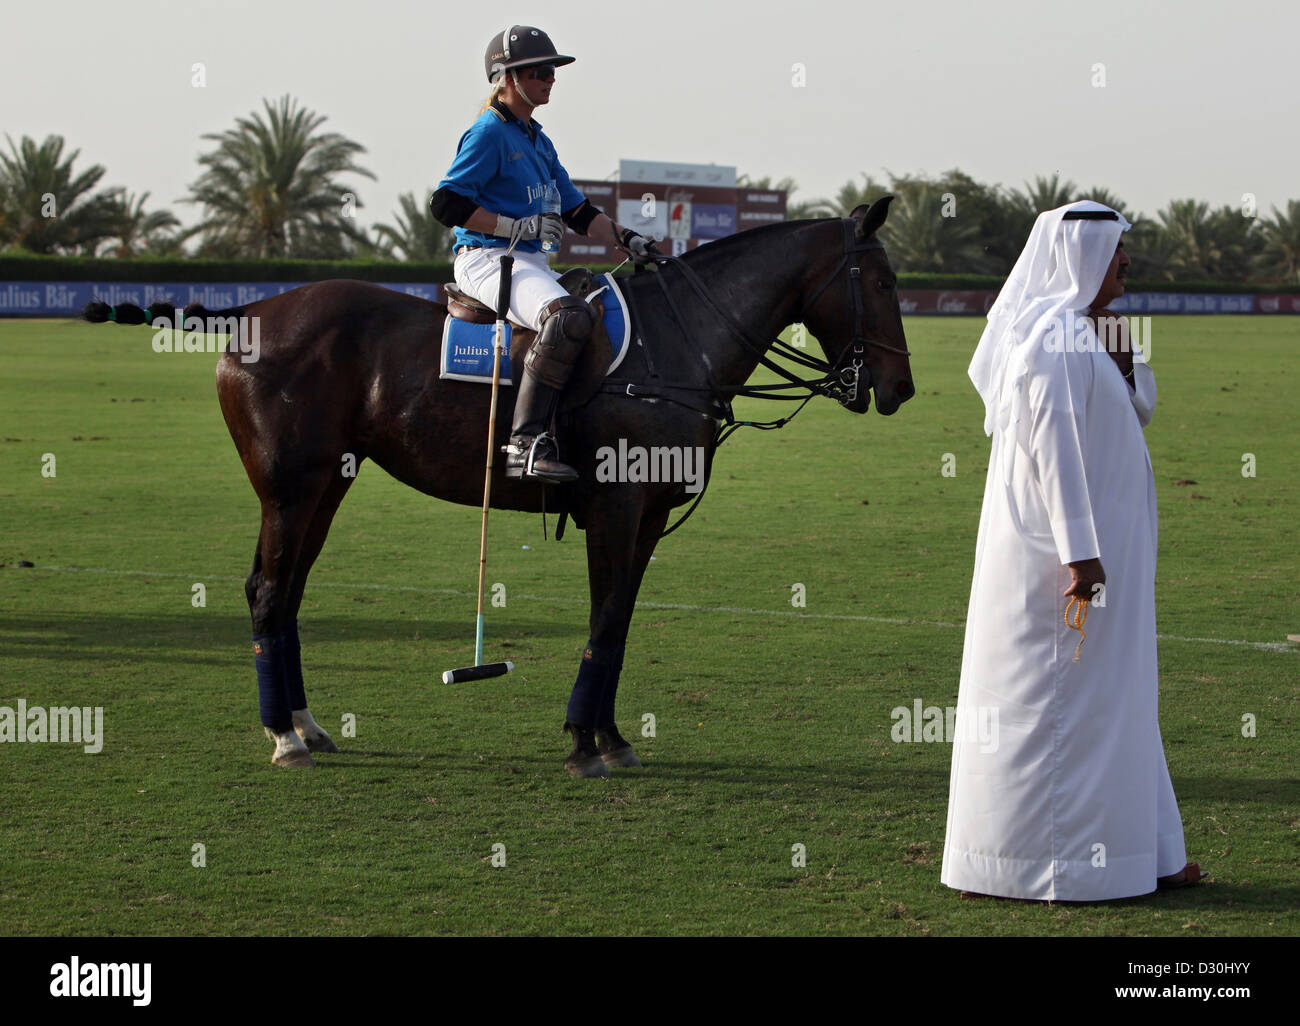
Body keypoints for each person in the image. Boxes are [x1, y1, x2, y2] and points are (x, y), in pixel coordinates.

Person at [940, 200, 1204, 901]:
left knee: (1119, 697)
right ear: (1081, 256)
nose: (1127, 261)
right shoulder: (1051, 341)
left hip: (1105, 558)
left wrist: (1123, 361)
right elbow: (1053, 452)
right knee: (1053, 706)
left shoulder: (1090, 333)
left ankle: (1151, 850)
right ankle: (1025, 862)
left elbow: (1135, 409)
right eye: (1117, 250)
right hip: (1060, 565)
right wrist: (1082, 558)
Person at [430, 25, 654, 483]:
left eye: (553, 71)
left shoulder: (537, 138)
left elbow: (577, 210)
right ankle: (525, 444)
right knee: (566, 317)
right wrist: (516, 226)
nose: (551, 79)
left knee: (597, 313)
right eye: (540, 72)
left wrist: (628, 238)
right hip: (487, 257)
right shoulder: (489, 132)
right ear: (507, 78)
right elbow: (446, 203)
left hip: (529, 261)